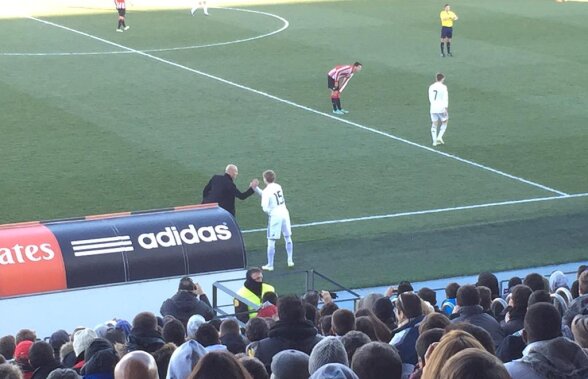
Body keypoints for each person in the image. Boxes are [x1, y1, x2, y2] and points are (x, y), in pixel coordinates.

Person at [253, 170, 293, 271]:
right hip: (284, 212)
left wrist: (270, 212)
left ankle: (270, 265)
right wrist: (256, 189)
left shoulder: (266, 191)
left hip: (275, 216)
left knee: (271, 240)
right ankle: (290, 260)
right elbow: (269, 195)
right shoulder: (278, 186)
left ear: (264, 179)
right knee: (287, 237)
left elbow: (264, 207)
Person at [428, 73, 449, 147]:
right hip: (441, 107)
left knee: (434, 123)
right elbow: (445, 98)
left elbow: (430, 97)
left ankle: (434, 142)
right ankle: (439, 137)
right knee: (445, 121)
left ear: (436, 78)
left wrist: (433, 104)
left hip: (433, 107)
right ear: (442, 79)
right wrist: (446, 108)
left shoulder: (431, 87)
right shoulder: (443, 87)